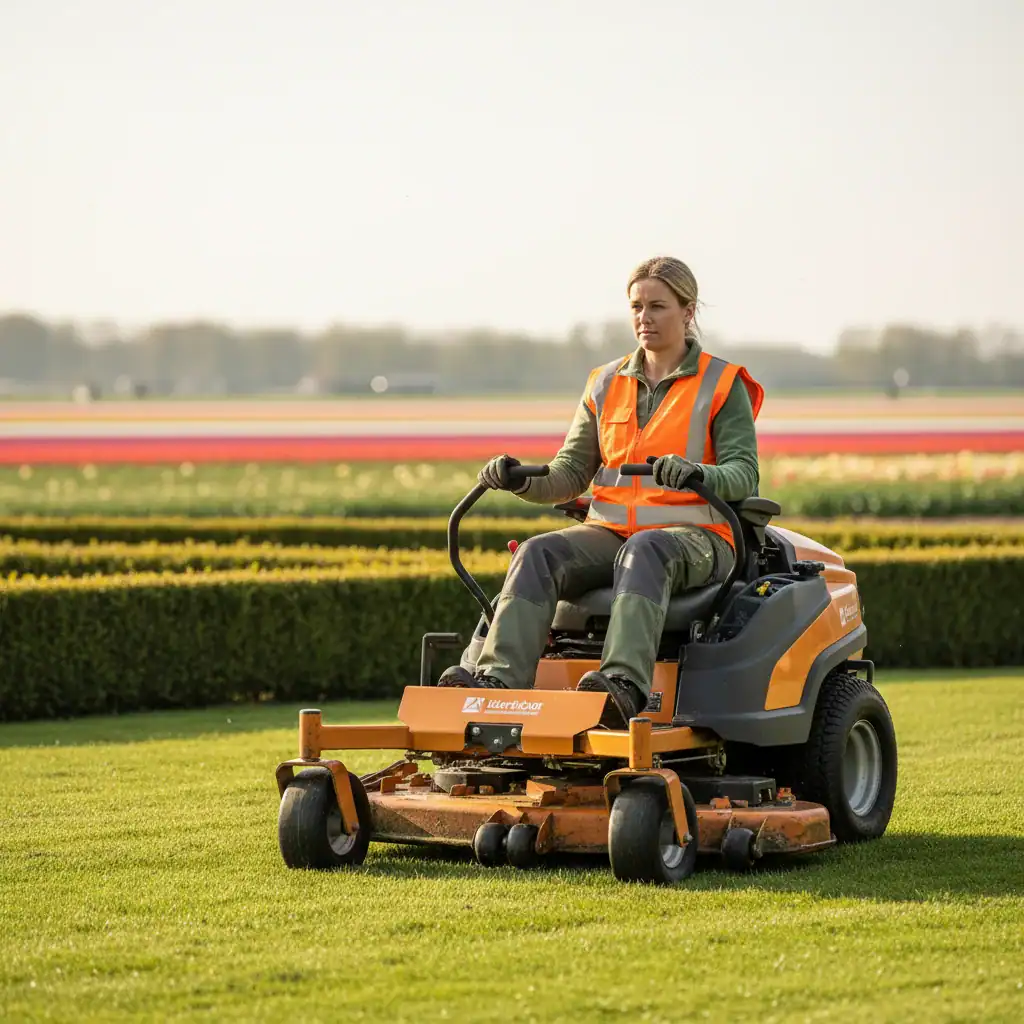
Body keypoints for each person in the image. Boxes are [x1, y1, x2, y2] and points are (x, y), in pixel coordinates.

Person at [440, 256, 763, 729]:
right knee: (536, 553)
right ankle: (496, 683)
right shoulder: (605, 382)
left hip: (698, 536)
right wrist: (519, 480)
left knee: (645, 548)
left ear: (688, 311)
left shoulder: (722, 383)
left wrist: (696, 473)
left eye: (658, 306)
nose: (644, 318)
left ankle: (621, 685)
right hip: (612, 531)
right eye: (636, 307)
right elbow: (570, 473)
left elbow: (744, 473)